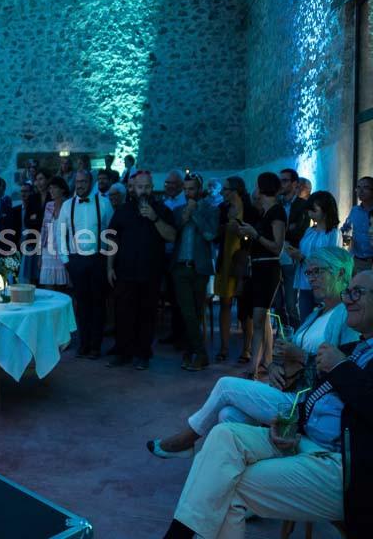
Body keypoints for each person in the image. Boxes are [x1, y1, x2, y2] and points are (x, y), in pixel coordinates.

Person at [160, 269, 373, 539]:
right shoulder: (356, 348)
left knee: (227, 486)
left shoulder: (346, 356)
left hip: (343, 468)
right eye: (348, 292)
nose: (348, 299)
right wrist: (294, 425)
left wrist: (339, 367)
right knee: (225, 434)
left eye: (358, 292)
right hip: (307, 443)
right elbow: (324, 400)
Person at [149, 246, 357, 459]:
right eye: (309, 272)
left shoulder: (347, 317)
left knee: (225, 385)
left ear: (341, 273)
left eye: (318, 271)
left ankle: (187, 440)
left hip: (305, 403)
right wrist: (276, 367)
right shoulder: (316, 313)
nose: (311, 278)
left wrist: (300, 357)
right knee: (227, 414)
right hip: (288, 391)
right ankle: (239, 466)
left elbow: (343, 372)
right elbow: (290, 358)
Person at [107, 171, 176, 370]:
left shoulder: (161, 209)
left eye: (147, 187)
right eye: (140, 187)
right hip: (124, 272)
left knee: (146, 315)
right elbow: (113, 239)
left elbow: (172, 236)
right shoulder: (123, 210)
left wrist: (154, 218)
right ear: (133, 188)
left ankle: (143, 354)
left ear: (152, 187)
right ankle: (123, 352)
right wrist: (109, 267)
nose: (143, 190)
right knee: (123, 313)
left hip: (151, 272)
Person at [59, 170, 114, 359]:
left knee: (98, 304)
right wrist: (66, 260)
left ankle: (96, 346)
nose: (80, 185)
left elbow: (110, 233)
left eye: (83, 181)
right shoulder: (67, 206)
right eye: (77, 182)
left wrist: (108, 261)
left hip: (98, 259)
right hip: (76, 260)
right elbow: (61, 234)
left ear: (91, 183)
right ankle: (83, 344)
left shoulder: (104, 203)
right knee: (81, 305)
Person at [237, 172, 286, 379]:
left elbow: (277, 247)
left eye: (256, 185)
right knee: (261, 317)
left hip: (268, 269)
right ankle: (264, 362)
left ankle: (253, 369)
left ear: (262, 188)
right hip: (257, 268)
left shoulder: (277, 212)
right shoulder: (265, 212)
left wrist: (255, 234)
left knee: (258, 318)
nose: (253, 190)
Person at [171, 173, 219, 371]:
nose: (188, 193)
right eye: (185, 189)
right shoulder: (179, 209)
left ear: (200, 190)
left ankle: (190, 352)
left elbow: (210, 235)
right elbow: (173, 234)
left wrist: (196, 213)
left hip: (199, 268)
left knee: (196, 313)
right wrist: (185, 215)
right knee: (187, 312)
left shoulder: (210, 209)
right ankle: (200, 354)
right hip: (180, 267)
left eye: (191, 189)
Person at [213, 177, 252, 362]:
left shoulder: (249, 208)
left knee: (245, 308)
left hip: (243, 260)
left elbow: (253, 233)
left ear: (235, 190)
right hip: (226, 258)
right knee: (225, 303)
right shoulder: (222, 209)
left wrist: (241, 231)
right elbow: (215, 233)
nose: (222, 192)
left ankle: (247, 349)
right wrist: (223, 228)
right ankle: (224, 347)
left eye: (225, 189)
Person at [287, 191, 341, 321]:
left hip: (323, 283)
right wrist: (295, 254)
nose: (310, 214)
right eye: (309, 210)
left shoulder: (333, 234)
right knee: (305, 320)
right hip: (305, 282)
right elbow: (304, 251)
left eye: (314, 210)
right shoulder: (309, 230)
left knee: (322, 320)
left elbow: (330, 261)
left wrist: (303, 258)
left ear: (326, 210)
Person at [277, 168, 310, 329]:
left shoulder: (303, 205)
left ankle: (297, 337)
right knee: (277, 304)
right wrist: (288, 228)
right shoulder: (276, 203)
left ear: (295, 184)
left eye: (285, 180)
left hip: (291, 255)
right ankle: (285, 335)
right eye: (280, 180)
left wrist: (285, 230)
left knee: (291, 304)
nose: (281, 184)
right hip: (275, 255)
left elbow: (299, 232)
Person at [161, 169, 187, 346]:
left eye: (173, 184)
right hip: (165, 254)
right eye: (167, 183)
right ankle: (174, 332)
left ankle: (182, 336)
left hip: (180, 254)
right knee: (171, 295)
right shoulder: (163, 202)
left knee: (181, 297)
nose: (169, 187)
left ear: (180, 185)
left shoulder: (185, 202)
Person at [39, 176, 70, 290]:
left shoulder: (69, 205)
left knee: (64, 287)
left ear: (62, 189)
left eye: (54, 188)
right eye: (50, 188)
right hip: (48, 251)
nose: (51, 191)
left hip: (63, 251)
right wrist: (40, 254)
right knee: (49, 287)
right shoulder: (49, 205)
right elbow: (43, 229)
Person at [340, 176, 373, 274]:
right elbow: (346, 229)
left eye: (365, 188)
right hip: (357, 261)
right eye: (358, 187)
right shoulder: (354, 210)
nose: (360, 191)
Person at [14, 182, 43, 284]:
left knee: (33, 277)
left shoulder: (37, 209)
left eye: (26, 191)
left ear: (31, 193)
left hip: (32, 246)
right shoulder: (15, 210)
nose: (23, 194)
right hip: (18, 248)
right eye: (22, 191)